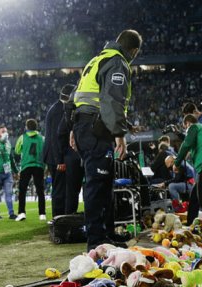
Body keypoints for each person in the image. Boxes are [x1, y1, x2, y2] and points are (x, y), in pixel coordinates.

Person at [72, 29, 142, 250]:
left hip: (85, 124)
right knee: (97, 182)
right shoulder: (117, 61)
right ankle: (96, 241)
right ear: (134, 50)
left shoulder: (97, 59)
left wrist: (73, 129)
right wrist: (120, 135)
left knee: (104, 181)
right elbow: (112, 100)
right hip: (97, 129)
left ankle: (106, 234)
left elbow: (80, 97)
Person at [43, 84, 75, 217]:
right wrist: (59, 160)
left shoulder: (57, 107)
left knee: (60, 188)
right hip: (56, 157)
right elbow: (55, 137)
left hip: (53, 155)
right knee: (60, 189)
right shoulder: (59, 110)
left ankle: (59, 218)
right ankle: (58, 219)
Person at [14, 119, 46, 221]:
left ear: (26, 127)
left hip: (26, 165)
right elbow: (45, 152)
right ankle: (42, 214)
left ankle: (22, 213)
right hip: (39, 166)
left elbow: (17, 151)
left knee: (22, 190)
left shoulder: (22, 137)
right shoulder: (42, 138)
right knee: (40, 191)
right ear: (36, 127)